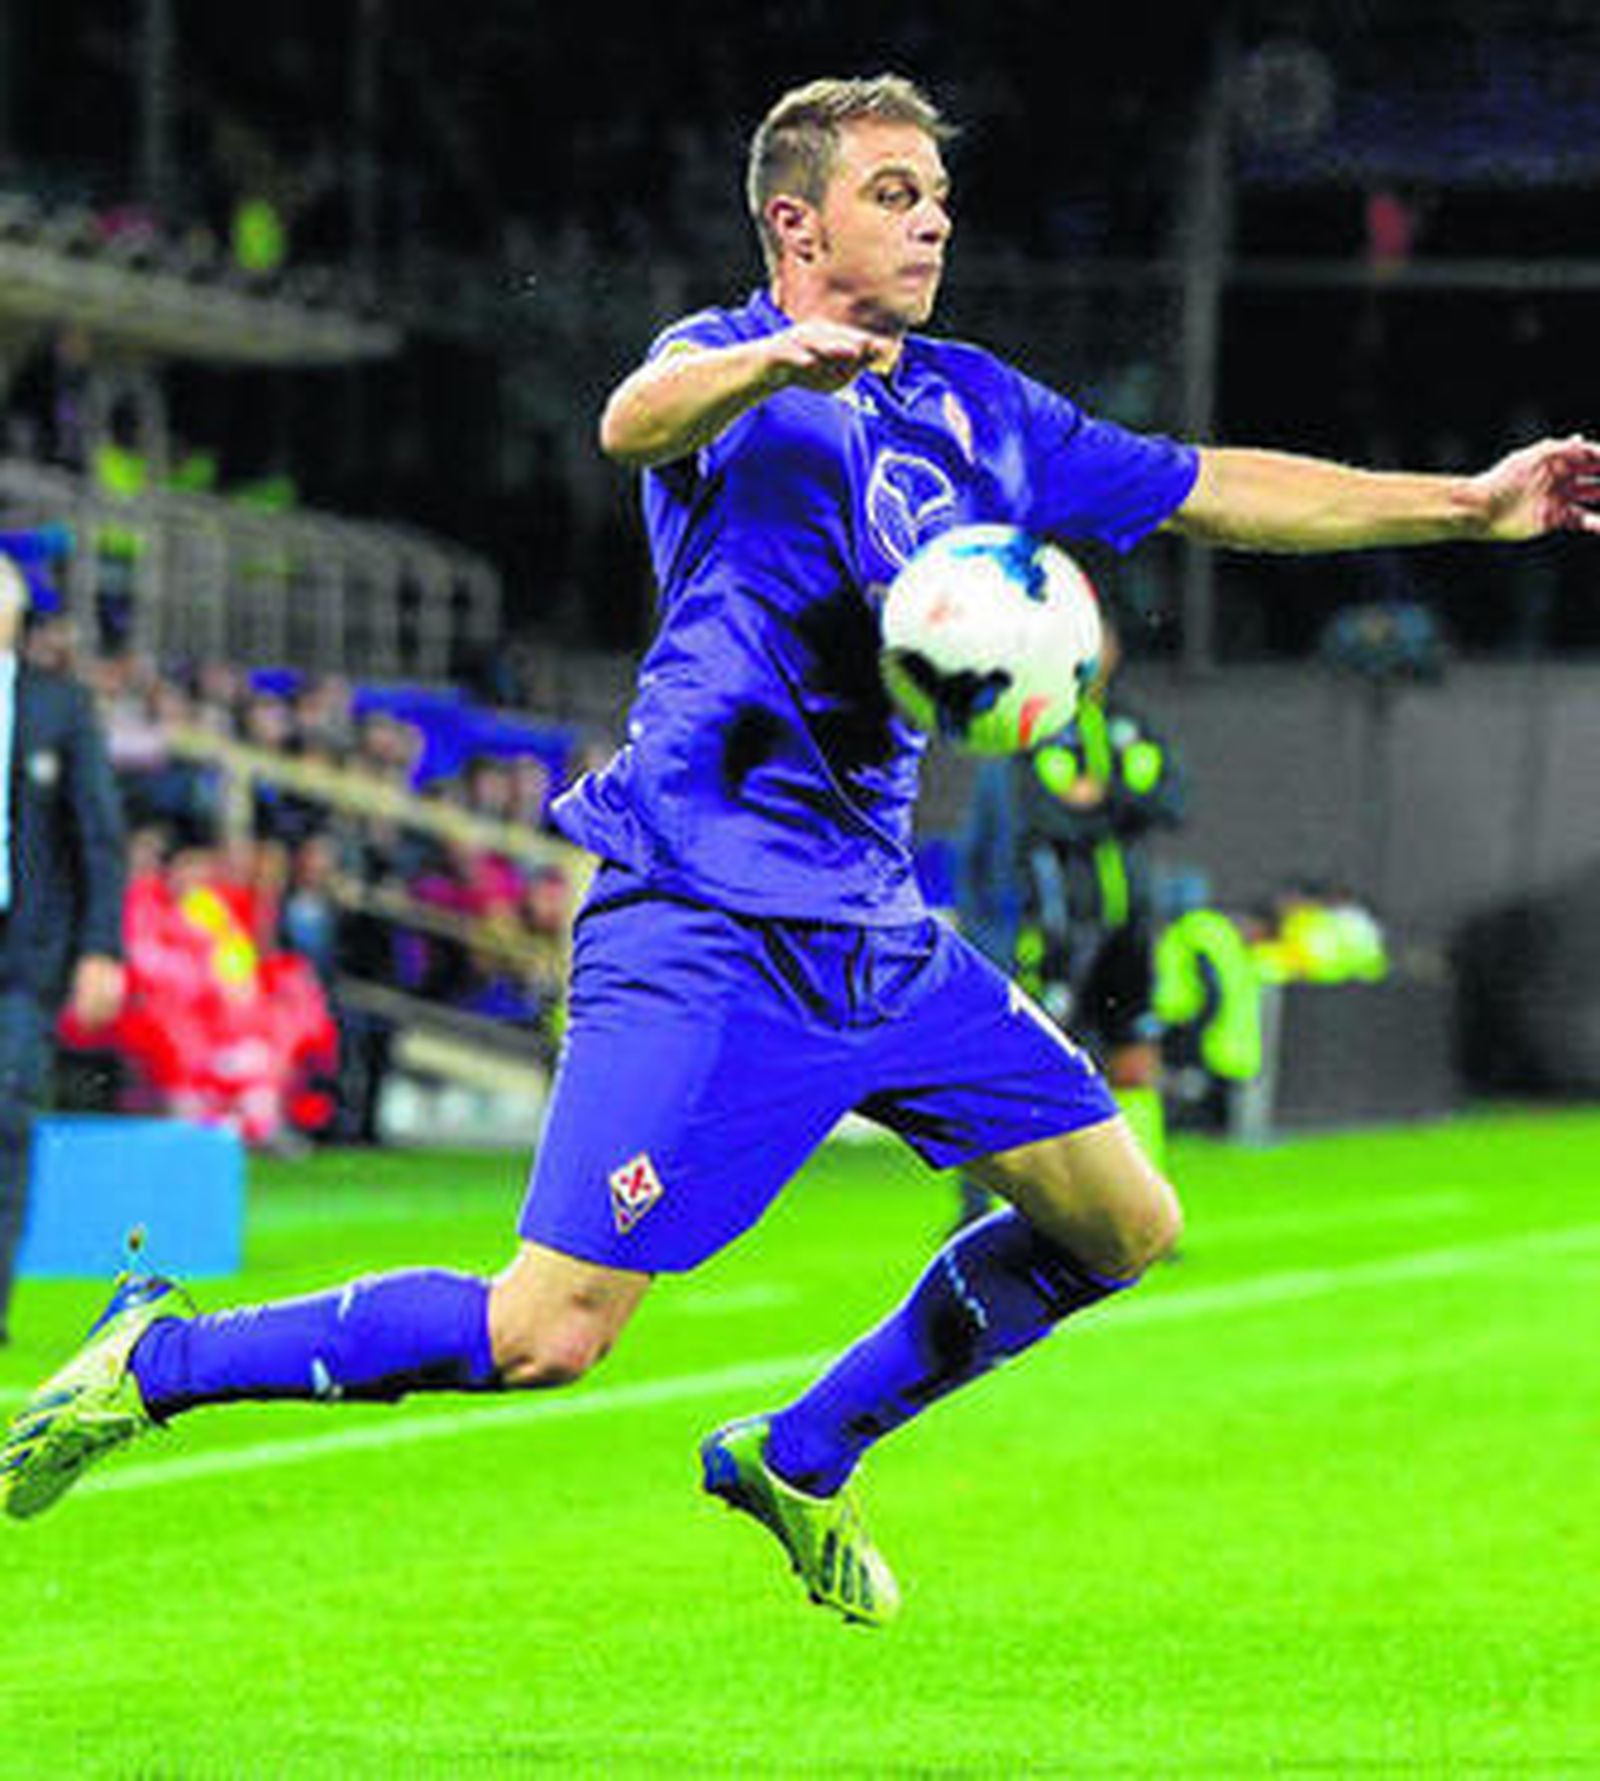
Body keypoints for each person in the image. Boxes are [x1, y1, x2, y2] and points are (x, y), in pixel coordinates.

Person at [4, 75, 1598, 1627]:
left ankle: (797, 1451)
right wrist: (774, 360)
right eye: (892, 197)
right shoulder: (727, 370)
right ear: (795, 222)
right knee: (548, 1330)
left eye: (940, 202)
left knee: (1125, 1223)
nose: (930, 229)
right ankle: (158, 1360)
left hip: (878, 935)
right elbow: (632, 422)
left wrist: (1467, 505)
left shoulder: (978, 405)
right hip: (700, 920)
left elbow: (1208, 487)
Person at [953, 616, 1185, 1226]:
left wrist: (1101, 800)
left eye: (1107, 636)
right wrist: (1120, 806)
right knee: (1028, 1059)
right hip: (1054, 924)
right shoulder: (1033, 725)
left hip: (1127, 919)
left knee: (1135, 1055)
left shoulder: (1130, 722)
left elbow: (1173, 800)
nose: (1101, 649)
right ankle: (987, 1208)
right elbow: (1048, 819)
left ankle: (1139, 1201)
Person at [0, 541, 127, 1344]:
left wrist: (101, 947)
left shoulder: (58, 705)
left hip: (25, 950)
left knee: (5, 1115)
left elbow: (99, 836)